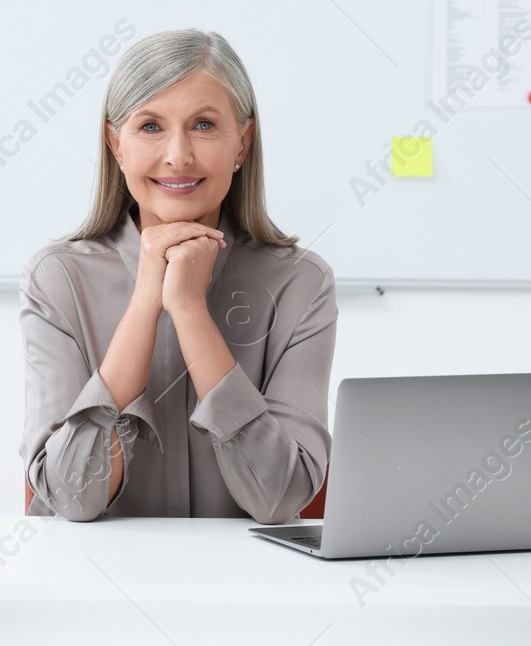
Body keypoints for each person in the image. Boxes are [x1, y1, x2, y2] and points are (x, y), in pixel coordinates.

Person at [20, 29, 336, 523]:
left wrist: (189, 311)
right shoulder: (58, 280)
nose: (178, 155)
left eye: (204, 125)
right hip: (89, 587)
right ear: (115, 144)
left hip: (247, 590)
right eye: (149, 127)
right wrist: (146, 304)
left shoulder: (300, 284)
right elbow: (73, 498)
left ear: (242, 142)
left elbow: (278, 499)